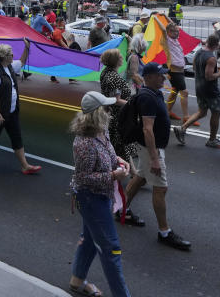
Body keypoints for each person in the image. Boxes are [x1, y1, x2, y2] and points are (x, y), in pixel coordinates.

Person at [68, 91, 133, 297]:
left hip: (100, 196)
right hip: (90, 198)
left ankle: (77, 281)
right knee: (110, 248)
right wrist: (114, 175)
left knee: (89, 238)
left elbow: (109, 152)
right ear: (96, 113)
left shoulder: (100, 130)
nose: (109, 111)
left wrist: (118, 161)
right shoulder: (84, 143)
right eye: (106, 108)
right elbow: (84, 177)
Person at [122, 62, 190, 250]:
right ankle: (164, 232)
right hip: (152, 149)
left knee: (141, 178)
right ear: (149, 77)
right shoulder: (148, 98)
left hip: (150, 148)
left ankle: (122, 210)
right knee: (161, 188)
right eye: (160, 75)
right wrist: (154, 159)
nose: (164, 77)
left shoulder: (155, 93)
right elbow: (147, 129)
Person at [0, 39, 42, 175]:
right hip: (0, 114)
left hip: (11, 112)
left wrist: (27, 47)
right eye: (11, 54)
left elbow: (23, 61)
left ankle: (25, 166)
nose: (13, 56)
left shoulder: (10, 67)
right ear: (4, 57)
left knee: (16, 137)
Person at [173, 35, 220, 149]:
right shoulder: (211, 58)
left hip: (199, 86)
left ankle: (182, 128)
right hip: (210, 89)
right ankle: (212, 140)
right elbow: (209, 76)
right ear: (216, 46)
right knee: (216, 112)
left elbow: (194, 67)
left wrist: (211, 69)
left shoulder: (198, 52)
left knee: (202, 112)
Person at [164, 22, 191, 125]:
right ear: (169, 32)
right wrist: (158, 18)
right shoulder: (167, 40)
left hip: (179, 70)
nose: (177, 33)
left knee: (175, 91)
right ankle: (186, 117)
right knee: (184, 92)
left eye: (177, 31)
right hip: (174, 71)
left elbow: (170, 24)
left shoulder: (175, 40)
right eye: (175, 31)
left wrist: (169, 21)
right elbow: (164, 29)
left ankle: (167, 112)